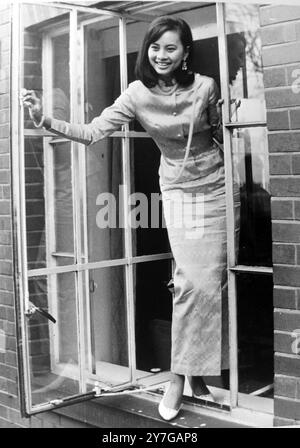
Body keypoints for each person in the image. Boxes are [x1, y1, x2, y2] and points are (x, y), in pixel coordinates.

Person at [21, 16, 227, 422]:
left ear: (185, 52)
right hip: (180, 189)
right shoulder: (136, 94)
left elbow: (222, 132)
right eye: (155, 47)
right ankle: (179, 377)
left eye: (171, 48)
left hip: (218, 184)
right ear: (146, 50)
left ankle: (194, 372)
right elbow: (93, 132)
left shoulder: (205, 86)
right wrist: (45, 119)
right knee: (192, 281)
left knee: (213, 279)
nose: (161, 55)